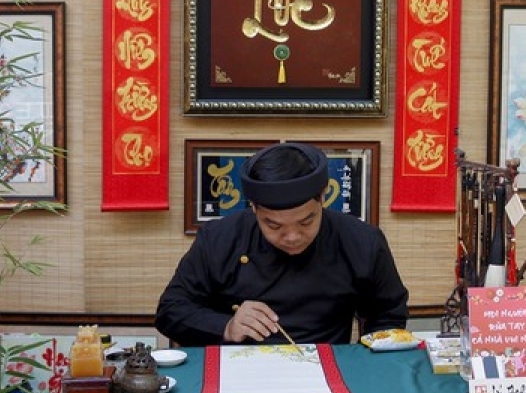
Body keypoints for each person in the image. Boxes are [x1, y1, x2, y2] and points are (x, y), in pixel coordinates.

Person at [156, 142, 409, 346]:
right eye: (274, 226)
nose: (292, 237)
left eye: (306, 222)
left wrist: (365, 362)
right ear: (254, 208)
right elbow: (170, 311)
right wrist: (226, 326)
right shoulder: (219, 238)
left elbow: (388, 315)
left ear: (322, 197)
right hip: (236, 370)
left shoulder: (361, 241)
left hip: (328, 368)